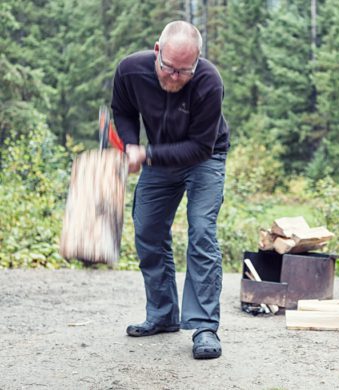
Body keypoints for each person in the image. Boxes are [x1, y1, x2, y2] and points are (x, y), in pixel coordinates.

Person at [111, 20, 229, 360]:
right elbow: (123, 110)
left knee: (202, 231)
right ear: (157, 50)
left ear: (197, 62)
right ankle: (163, 315)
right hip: (159, 157)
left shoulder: (208, 82)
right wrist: (132, 144)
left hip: (204, 156)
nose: (173, 77)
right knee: (147, 227)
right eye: (168, 68)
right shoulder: (131, 70)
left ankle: (204, 327)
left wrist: (145, 153)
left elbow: (199, 148)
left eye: (183, 71)